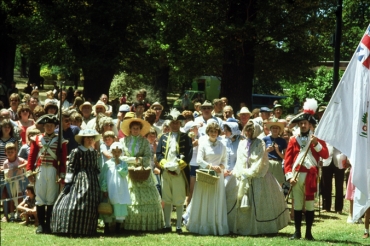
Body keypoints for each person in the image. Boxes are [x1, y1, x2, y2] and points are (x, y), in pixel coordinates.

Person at [232, 120, 290, 235]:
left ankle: (261, 227)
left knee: (258, 200)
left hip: (258, 175)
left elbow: (260, 160)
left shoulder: (260, 143)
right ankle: (242, 226)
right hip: (243, 175)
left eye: (251, 130)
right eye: (247, 130)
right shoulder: (242, 143)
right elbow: (240, 158)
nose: (248, 132)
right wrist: (242, 171)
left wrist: (251, 172)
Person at [284, 98, 329, 241]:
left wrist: (316, 144)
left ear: (310, 125)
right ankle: (297, 232)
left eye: (305, 123)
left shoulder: (316, 138)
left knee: (309, 205)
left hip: (310, 175)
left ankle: (309, 233)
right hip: (296, 175)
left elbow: (325, 154)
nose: (303, 125)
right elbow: (288, 161)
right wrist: (289, 176)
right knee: (297, 204)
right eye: (301, 123)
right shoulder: (293, 139)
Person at [51, 129, 101, 235]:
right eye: (87, 138)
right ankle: (71, 228)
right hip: (79, 179)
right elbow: (71, 168)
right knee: (76, 201)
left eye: (91, 138)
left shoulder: (94, 152)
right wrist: (68, 183)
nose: (90, 140)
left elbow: (96, 168)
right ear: (83, 139)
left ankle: (88, 229)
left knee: (91, 203)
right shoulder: (76, 151)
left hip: (92, 181)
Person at [120, 117, 164, 231]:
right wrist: (132, 160)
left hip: (142, 171)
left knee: (148, 199)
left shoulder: (144, 141)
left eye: (137, 128)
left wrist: (136, 160)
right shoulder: (123, 141)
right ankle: (128, 223)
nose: (135, 130)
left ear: (140, 129)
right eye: (133, 128)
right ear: (130, 129)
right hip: (127, 172)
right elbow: (120, 157)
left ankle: (147, 224)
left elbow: (147, 157)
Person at [26, 114, 68, 234]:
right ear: (43, 126)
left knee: (51, 198)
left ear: (55, 126)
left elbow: (63, 160)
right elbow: (32, 156)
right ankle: (40, 225)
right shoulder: (37, 139)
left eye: (51, 125)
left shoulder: (61, 140)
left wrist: (62, 175)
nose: (49, 127)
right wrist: (29, 171)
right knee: (40, 198)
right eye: (47, 125)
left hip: (53, 171)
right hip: (40, 170)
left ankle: (49, 225)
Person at [186, 123, 229, 235]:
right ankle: (202, 224)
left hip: (218, 176)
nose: (213, 133)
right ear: (208, 132)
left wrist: (221, 167)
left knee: (215, 198)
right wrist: (211, 167)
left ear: (218, 132)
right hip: (205, 174)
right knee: (204, 198)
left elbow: (225, 160)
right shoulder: (203, 144)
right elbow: (199, 160)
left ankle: (215, 225)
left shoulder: (222, 145)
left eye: (215, 131)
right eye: (211, 131)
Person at [156, 108, 192, 234]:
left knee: (179, 198)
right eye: (172, 123)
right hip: (166, 172)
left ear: (180, 124)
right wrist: (165, 165)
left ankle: (178, 226)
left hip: (179, 172)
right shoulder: (163, 137)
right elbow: (159, 153)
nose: (175, 125)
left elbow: (188, 154)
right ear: (169, 124)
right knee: (166, 198)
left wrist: (177, 167)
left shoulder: (186, 137)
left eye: (177, 123)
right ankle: (167, 224)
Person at [100, 142, 132, 235]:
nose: (116, 154)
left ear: (121, 152)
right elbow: (103, 177)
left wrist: (118, 165)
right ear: (112, 152)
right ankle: (107, 227)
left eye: (118, 152)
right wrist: (104, 189)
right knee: (108, 206)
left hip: (120, 189)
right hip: (110, 189)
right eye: (114, 152)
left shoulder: (124, 164)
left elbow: (124, 173)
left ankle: (118, 227)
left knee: (119, 207)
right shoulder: (107, 164)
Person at [0, 119, 19, 222]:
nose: (7, 129)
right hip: (0, 168)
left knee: (9, 192)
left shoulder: (13, 140)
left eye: (8, 127)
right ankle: (4, 213)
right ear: (1, 128)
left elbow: (16, 154)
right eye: (4, 127)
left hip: (10, 168)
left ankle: (8, 214)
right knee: (2, 192)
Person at [3, 142, 28, 221]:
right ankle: (12, 214)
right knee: (11, 198)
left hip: (19, 182)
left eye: (12, 152)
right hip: (11, 182)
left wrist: (19, 167)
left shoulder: (19, 160)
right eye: (8, 152)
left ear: (15, 152)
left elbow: (27, 162)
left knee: (20, 197)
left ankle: (19, 213)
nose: (10, 154)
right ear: (5, 152)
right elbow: (5, 173)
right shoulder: (6, 163)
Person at [321, 145, 346, 213]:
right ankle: (326, 207)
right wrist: (320, 159)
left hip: (339, 160)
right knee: (326, 185)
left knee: (339, 186)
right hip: (326, 160)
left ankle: (338, 208)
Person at [263, 121, 287, 186]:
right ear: (270, 129)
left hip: (277, 163)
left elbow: (285, 157)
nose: (275, 129)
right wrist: (267, 150)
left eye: (277, 128)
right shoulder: (265, 139)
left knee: (279, 185)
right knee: (266, 184)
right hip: (267, 162)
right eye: (273, 128)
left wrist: (278, 151)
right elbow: (260, 153)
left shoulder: (283, 141)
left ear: (279, 130)